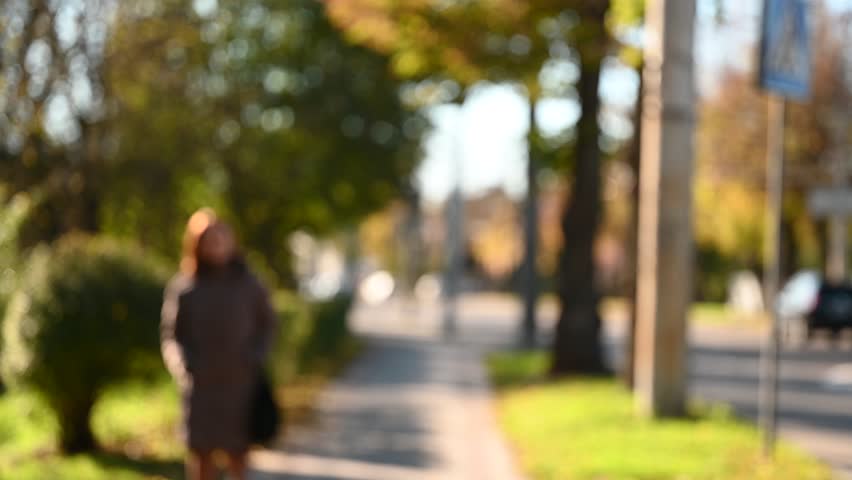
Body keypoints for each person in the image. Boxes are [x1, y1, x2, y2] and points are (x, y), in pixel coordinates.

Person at [161, 209, 277, 480]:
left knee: (238, 456)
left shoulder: (249, 284)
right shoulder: (185, 287)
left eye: (221, 237)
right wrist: (183, 366)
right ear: (196, 245)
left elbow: (268, 324)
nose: (216, 244)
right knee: (201, 457)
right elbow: (171, 335)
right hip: (200, 387)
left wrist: (255, 356)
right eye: (209, 240)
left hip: (240, 384)